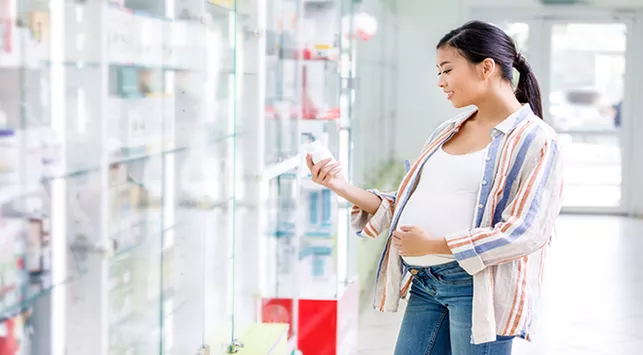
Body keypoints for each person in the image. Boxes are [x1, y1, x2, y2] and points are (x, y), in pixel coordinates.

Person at [306, 20, 564, 355]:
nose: (440, 81)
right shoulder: (447, 129)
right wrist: (341, 186)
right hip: (427, 283)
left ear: (486, 67)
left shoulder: (536, 139)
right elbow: (409, 201)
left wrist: (436, 243)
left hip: (477, 291)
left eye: (446, 70)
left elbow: (526, 231)